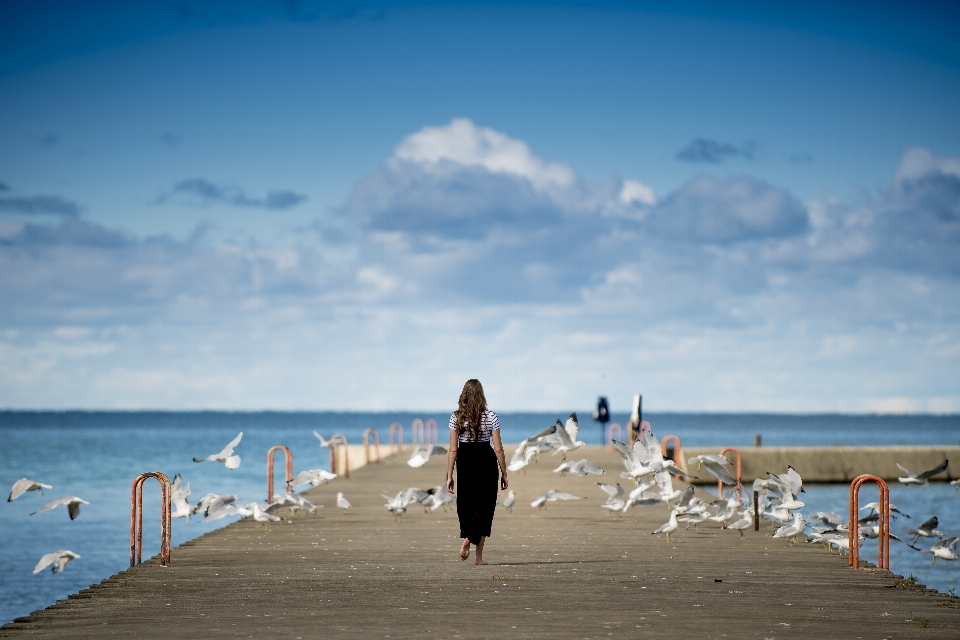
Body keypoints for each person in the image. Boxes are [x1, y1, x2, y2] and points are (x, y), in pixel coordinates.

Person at [445, 379, 509, 565]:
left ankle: (467, 537)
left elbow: (453, 449)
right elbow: (498, 448)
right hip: (486, 460)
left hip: (465, 460)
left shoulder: (456, 417)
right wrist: (504, 472)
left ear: (463, 395)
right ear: (482, 395)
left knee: (467, 505)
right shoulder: (491, 417)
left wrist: (449, 476)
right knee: (485, 508)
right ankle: (478, 557)